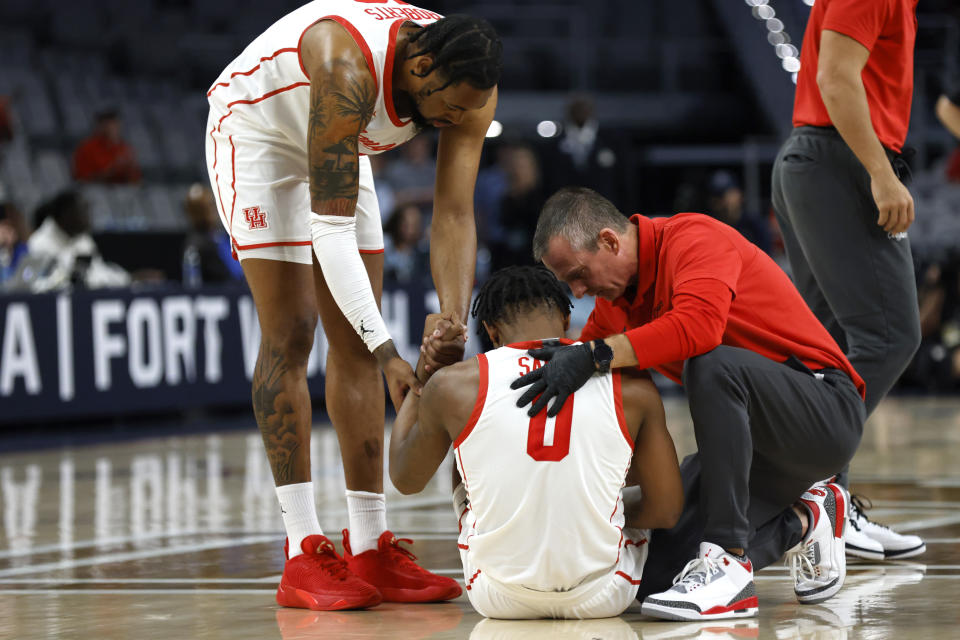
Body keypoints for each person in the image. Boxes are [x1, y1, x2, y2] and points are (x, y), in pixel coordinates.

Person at [204, 0, 501, 610]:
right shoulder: (348, 69)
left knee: (353, 344)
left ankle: (369, 544)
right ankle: (300, 549)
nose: (457, 119)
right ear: (419, 68)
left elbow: (453, 213)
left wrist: (451, 317)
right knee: (291, 333)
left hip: (338, 146)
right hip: (257, 130)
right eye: (451, 106)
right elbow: (331, 236)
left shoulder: (471, 83)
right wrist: (390, 350)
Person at [514, 187, 864, 619]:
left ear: (609, 240)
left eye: (579, 275)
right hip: (756, 451)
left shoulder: (694, 238)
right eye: (569, 284)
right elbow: (589, 391)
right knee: (655, 579)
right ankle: (809, 514)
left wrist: (596, 355)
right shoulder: (615, 306)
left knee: (711, 364)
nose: (580, 292)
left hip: (824, 413)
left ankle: (729, 560)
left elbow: (700, 328)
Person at [390, 265, 685, 619]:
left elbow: (405, 479)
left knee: (466, 447)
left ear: (491, 331)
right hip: (605, 594)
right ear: (565, 319)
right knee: (634, 471)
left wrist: (428, 369)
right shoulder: (631, 383)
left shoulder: (453, 385)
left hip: (497, 595)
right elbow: (666, 510)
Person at [770, 0, 925, 561]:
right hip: (840, 160)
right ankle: (806, 482)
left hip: (816, 161)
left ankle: (824, 502)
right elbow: (834, 78)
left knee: (829, 348)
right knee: (889, 336)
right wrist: (881, 175)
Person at [182, 183, 244, 286]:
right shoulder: (194, 245)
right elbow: (193, 284)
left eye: (211, 205)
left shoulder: (225, 235)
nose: (211, 211)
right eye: (199, 209)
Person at [72, 109, 141, 184]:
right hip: (95, 191)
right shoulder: (86, 148)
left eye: (115, 124)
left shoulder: (125, 148)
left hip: (122, 191)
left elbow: (135, 179)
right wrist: (110, 172)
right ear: (100, 126)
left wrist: (129, 172)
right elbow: (82, 179)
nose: (113, 128)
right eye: (108, 124)